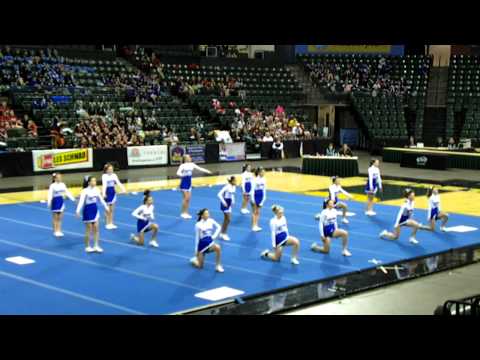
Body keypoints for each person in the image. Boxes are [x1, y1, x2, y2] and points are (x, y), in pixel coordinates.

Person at [76, 176, 110, 253]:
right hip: (87, 210)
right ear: (89, 182)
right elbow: (81, 202)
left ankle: (96, 245)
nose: (95, 182)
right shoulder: (84, 191)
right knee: (89, 230)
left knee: (96, 229)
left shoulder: (97, 189)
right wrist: (77, 211)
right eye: (93, 181)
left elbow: (101, 200)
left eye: (95, 181)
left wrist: (106, 207)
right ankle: (87, 246)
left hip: (95, 209)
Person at [176, 155, 212, 219]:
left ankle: (186, 212)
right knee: (185, 198)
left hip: (189, 182)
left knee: (188, 199)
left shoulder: (192, 164)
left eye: (190, 157)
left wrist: (207, 171)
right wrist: (183, 175)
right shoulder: (182, 165)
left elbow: (200, 168)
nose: (190, 158)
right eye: (188, 157)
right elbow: (178, 173)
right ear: (185, 159)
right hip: (184, 182)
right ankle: (183, 213)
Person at [190, 209, 224, 273]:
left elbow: (219, 227)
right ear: (202, 216)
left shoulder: (211, 221)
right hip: (202, 244)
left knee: (218, 247)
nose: (208, 215)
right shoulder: (198, 225)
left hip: (209, 241)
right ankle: (194, 260)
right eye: (206, 214)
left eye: (208, 213)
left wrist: (214, 236)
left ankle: (218, 266)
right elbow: (197, 238)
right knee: (200, 266)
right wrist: (196, 250)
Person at [47, 172, 75, 237]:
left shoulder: (63, 184)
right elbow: (50, 194)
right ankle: (55, 231)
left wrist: (73, 199)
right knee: (55, 218)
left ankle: (59, 230)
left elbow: (67, 192)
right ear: (55, 178)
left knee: (60, 218)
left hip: (61, 201)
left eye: (60, 177)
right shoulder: (52, 185)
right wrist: (49, 202)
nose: (60, 178)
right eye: (58, 177)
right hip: (55, 201)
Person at [102, 163, 126, 230]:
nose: (111, 170)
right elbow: (104, 185)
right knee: (108, 209)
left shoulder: (114, 175)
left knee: (112, 209)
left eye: (112, 169)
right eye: (109, 169)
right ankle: (107, 223)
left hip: (113, 192)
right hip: (107, 192)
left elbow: (118, 183)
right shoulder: (104, 176)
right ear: (106, 170)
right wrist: (104, 194)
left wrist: (123, 189)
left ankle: (111, 223)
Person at [217, 176, 237, 241]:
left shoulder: (234, 187)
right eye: (234, 181)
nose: (236, 182)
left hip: (229, 203)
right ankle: (224, 234)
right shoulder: (227, 186)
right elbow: (219, 194)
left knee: (226, 219)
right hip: (225, 203)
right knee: (228, 219)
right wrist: (224, 202)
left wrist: (233, 201)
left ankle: (222, 233)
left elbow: (232, 194)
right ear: (231, 181)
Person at [250, 167, 267, 232]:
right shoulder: (254, 180)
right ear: (259, 173)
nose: (264, 173)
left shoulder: (264, 179)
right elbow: (252, 190)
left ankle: (256, 225)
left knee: (258, 212)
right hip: (255, 196)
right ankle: (253, 226)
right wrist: (253, 199)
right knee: (254, 211)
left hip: (261, 196)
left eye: (264, 171)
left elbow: (264, 189)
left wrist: (264, 199)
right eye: (262, 172)